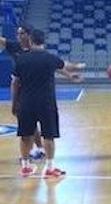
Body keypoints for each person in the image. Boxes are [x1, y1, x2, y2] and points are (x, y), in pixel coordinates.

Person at [2, 24, 83, 159]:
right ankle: (33, 154)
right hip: (26, 93)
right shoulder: (16, 48)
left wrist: (69, 74)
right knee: (30, 129)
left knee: (34, 129)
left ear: (30, 36)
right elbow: (15, 81)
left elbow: (56, 65)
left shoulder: (38, 56)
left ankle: (37, 150)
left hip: (34, 95)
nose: (19, 36)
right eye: (18, 33)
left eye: (22, 33)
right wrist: (14, 102)